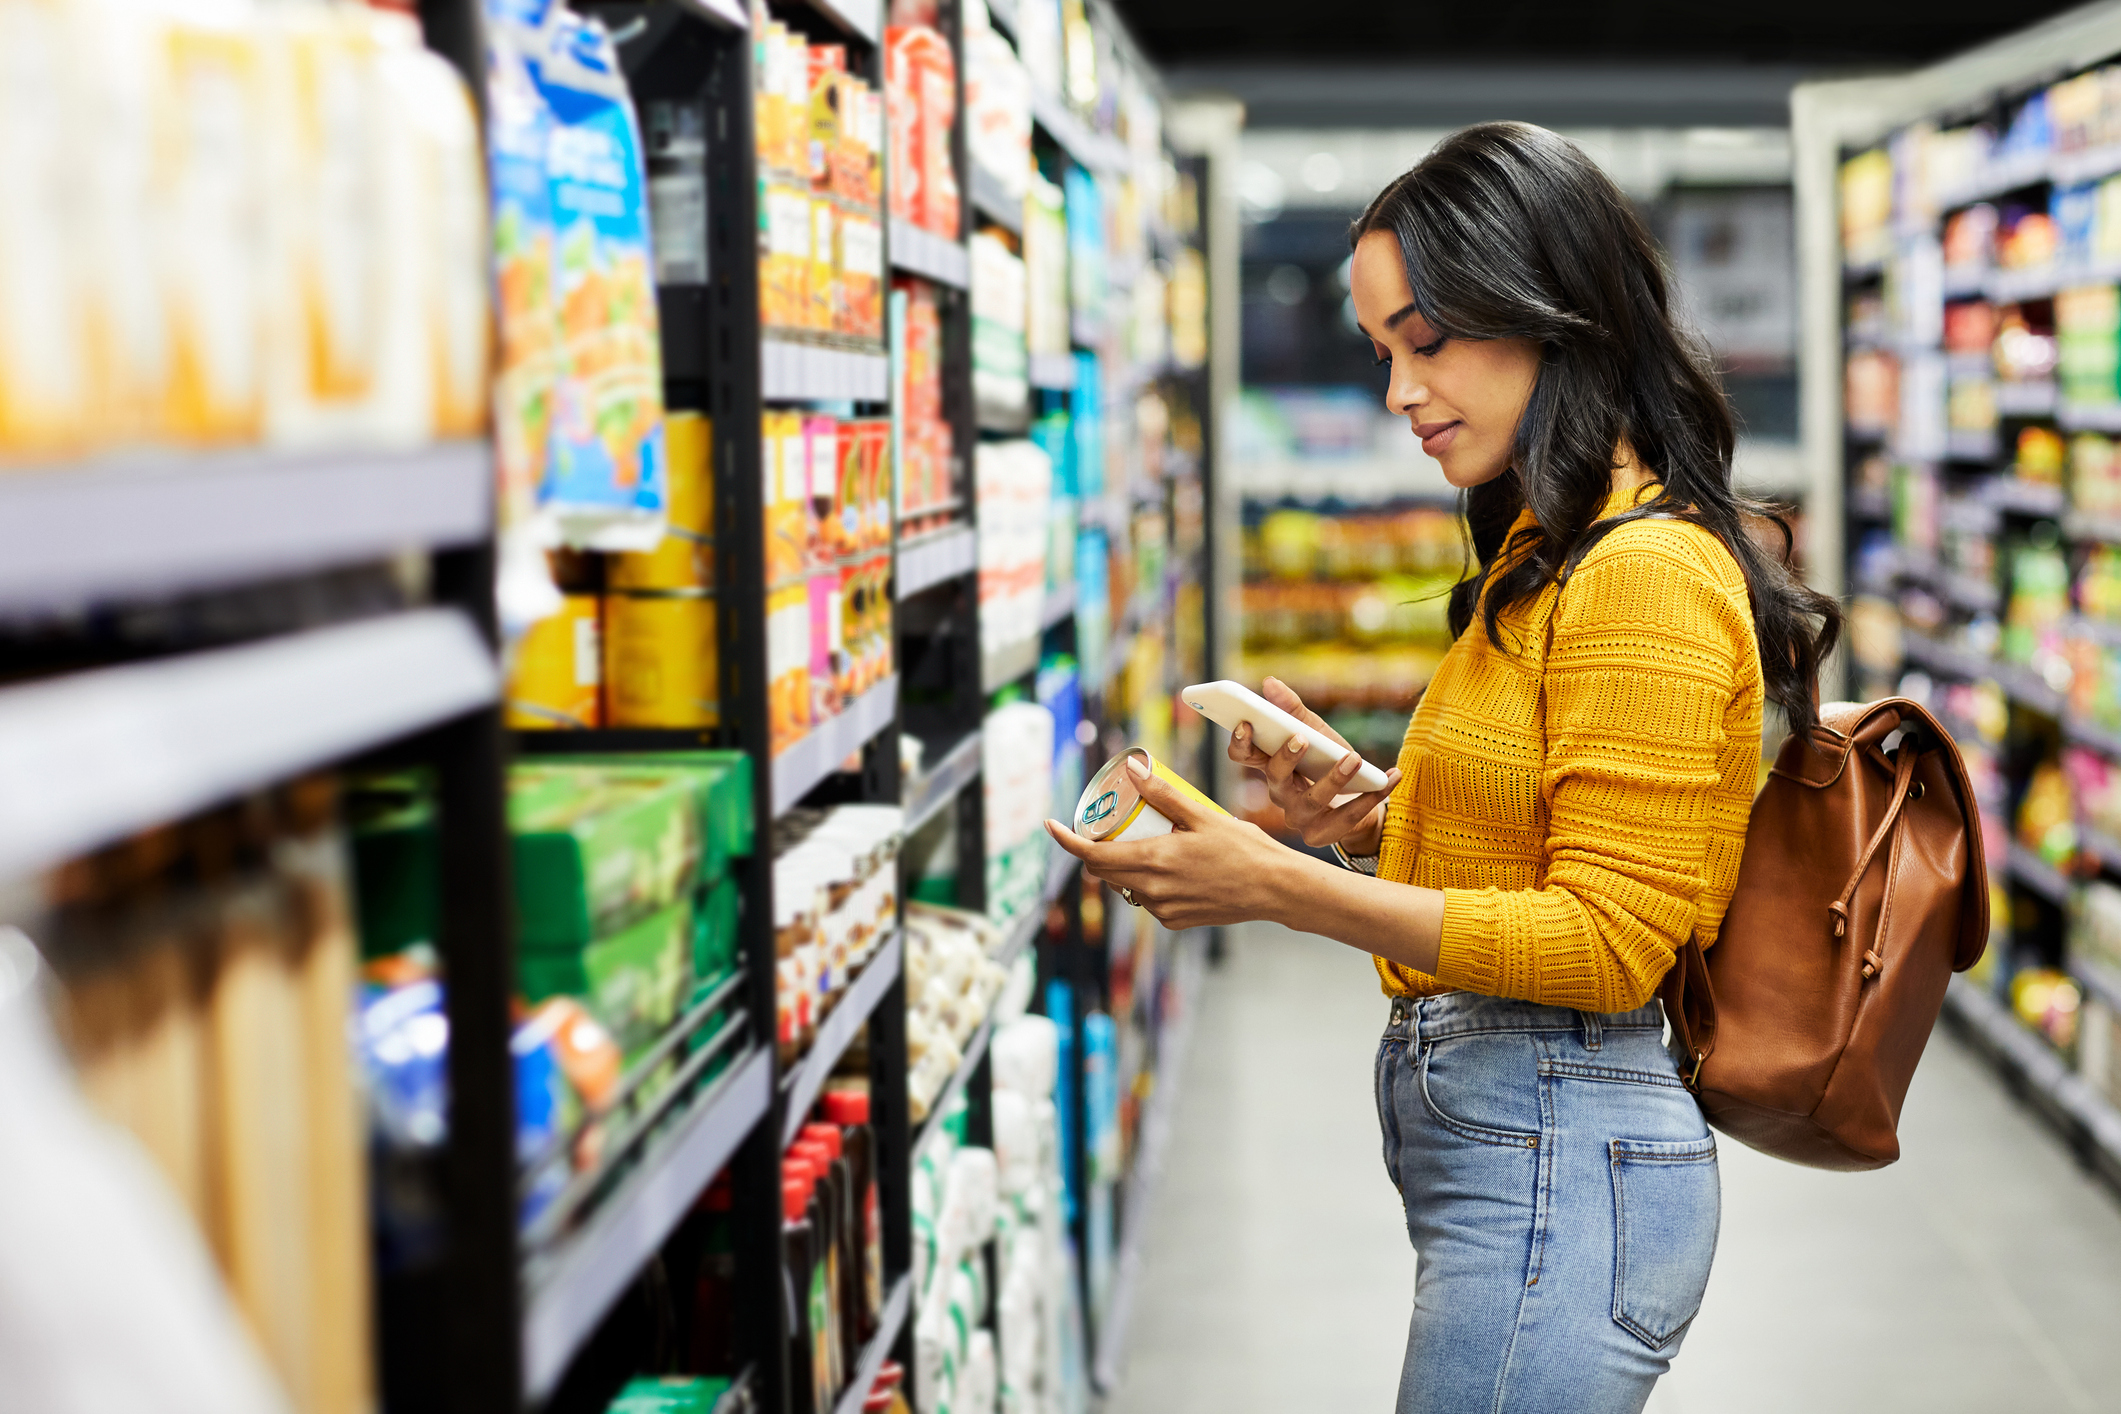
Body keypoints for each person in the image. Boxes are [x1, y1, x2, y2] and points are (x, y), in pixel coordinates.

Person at [1046, 121, 1840, 1413]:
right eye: (1380, 353)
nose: (1399, 391)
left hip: (1561, 1152)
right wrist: (1365, 815)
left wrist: (1272, 886)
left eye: (1428, 340)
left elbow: (1603, 943)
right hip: (1526, 1148)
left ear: (1553, 314)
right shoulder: (1551, 544)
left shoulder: (1639, 571)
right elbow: (1541, 843)